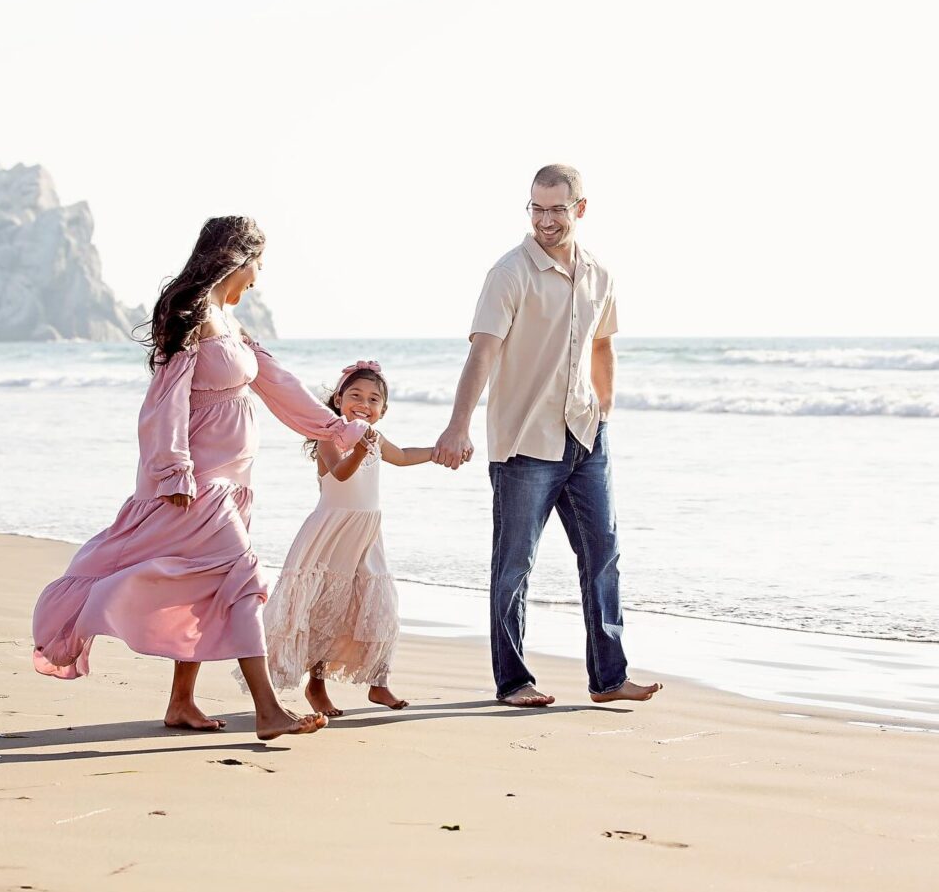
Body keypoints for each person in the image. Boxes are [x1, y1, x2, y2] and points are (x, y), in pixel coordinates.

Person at [31, 215, 368, 740]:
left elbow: (278, 384)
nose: (259, 276)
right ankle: (267, 709)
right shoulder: (192, 318)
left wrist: (335, 428)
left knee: (211, 587)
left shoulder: (231, 323)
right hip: (197, 485)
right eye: (259, 263)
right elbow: (162, 406)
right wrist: (173, 471)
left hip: (234, 484)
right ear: (240, 258)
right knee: (242, 581)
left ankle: (181, 702)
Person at [433, 165, 662, 708]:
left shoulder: (599, 275)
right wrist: (458, 424)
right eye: (536, 208)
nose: (546, 220)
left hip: (585, 435)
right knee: (514, 565)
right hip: (523, 443)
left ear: (580, 209)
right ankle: (513, 682)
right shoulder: (509, 273)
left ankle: (609, 678)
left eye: (557, 209)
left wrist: (604, 409)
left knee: (602, 555)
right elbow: (483, 351)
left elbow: (603, 345)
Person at [260, 360, 435, 716]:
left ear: (382, 412)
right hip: (333, 536)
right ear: (339, 400)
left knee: (380, 604)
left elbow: (400, 457)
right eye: (355, 395)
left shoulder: (377, 439)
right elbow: (339, 474)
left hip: (368, 536)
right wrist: (357, 449)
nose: (364, 404)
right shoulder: (329, 435)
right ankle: (317, 687)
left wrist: (437, 453)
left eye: (373, 400)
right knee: (325, 611)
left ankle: (379, 683)